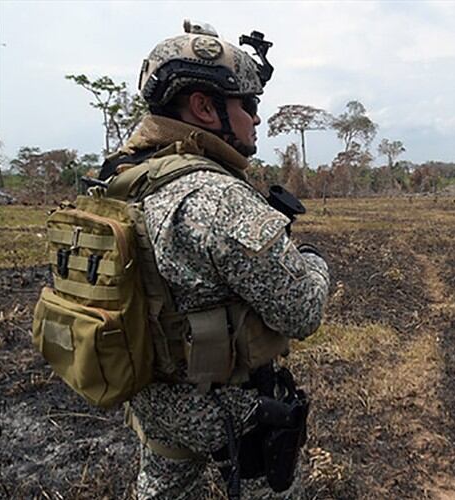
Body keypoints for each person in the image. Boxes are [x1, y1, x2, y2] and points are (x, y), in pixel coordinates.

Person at [99, 20, 330, 499]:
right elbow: (303, 311)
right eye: (248, 104)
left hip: (151, 396)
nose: (257, 119)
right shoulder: (218, 197)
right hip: (228, 413)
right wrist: (313, 262)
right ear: (204, 108)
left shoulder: (122, 179)